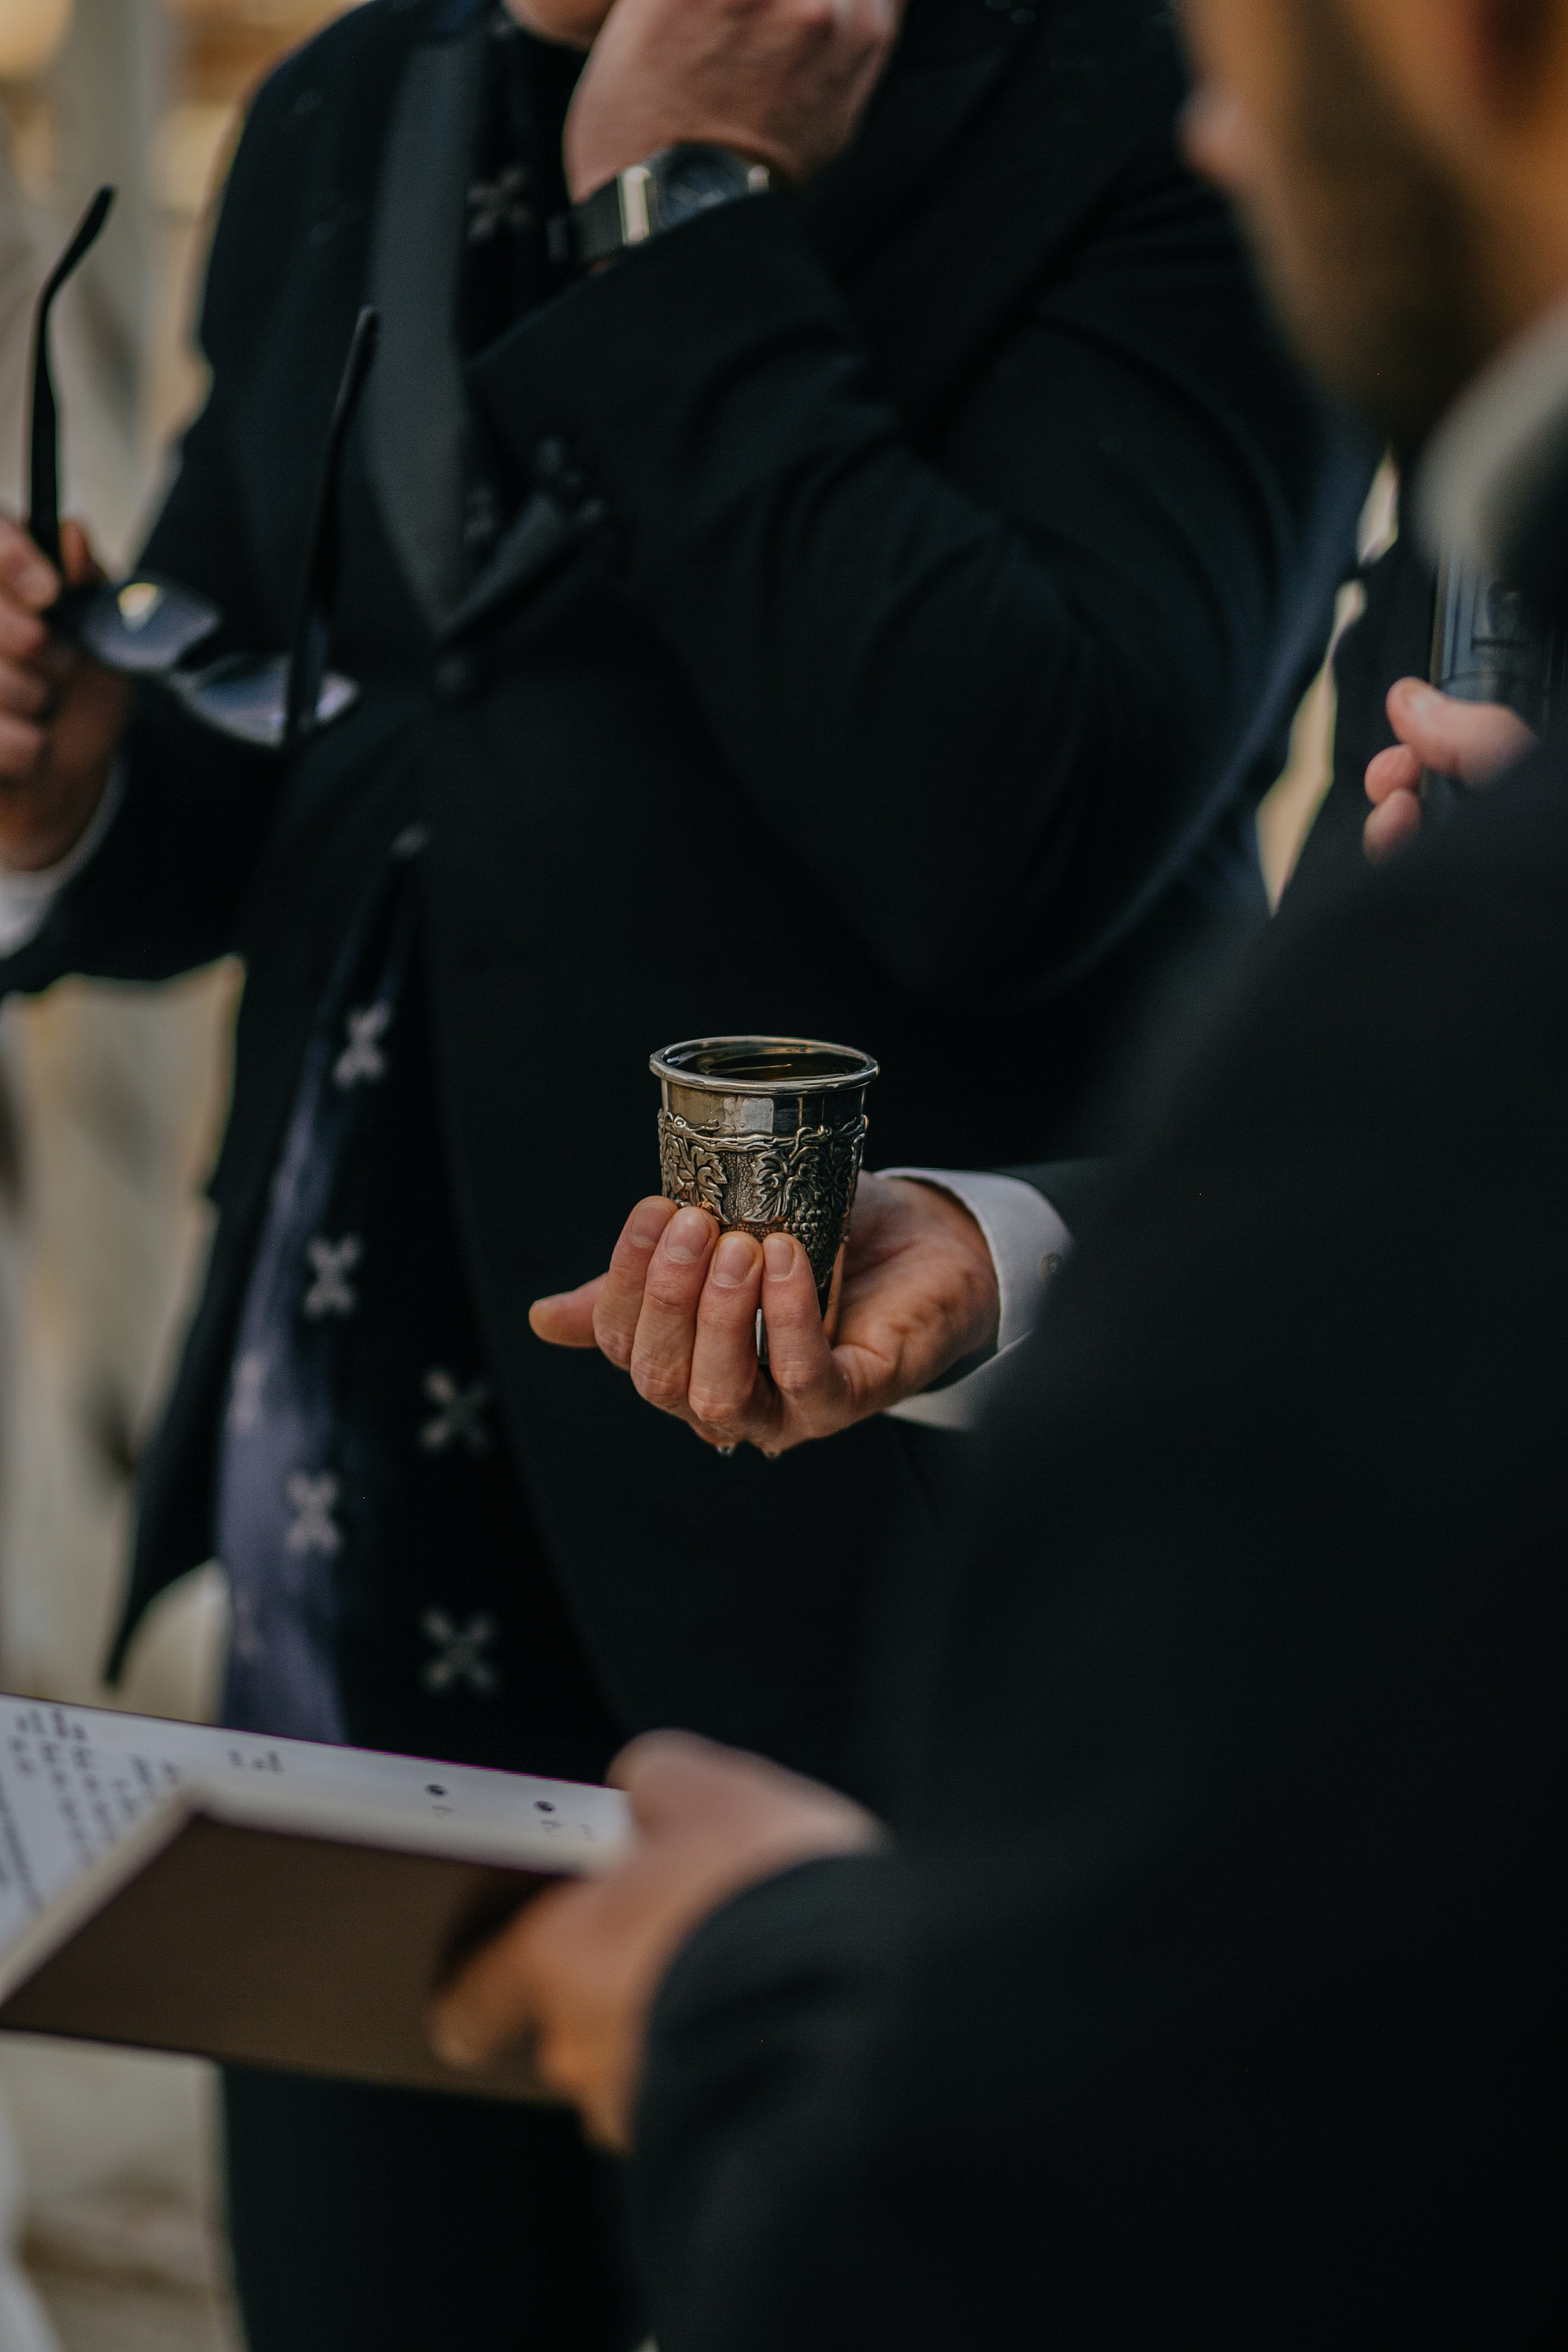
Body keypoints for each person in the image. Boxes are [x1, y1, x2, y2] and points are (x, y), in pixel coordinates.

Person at [0, 0, 1368, 2340]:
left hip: (893, 1569)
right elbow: (329, 731)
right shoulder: (361, 95)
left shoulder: (1176, 96)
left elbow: (1023, 824)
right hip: (357, 1591)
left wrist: (684, 218)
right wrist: (75, 787)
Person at [431, 0, 1568, 2338]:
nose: (1228, 129)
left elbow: (1143, 2179)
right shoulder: (1474, 564)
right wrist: (1011, 1248)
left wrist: (762, 1988)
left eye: (1264, 44)